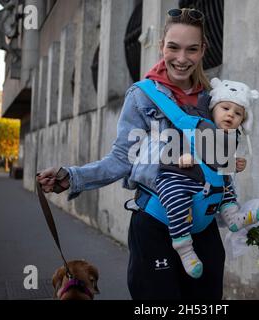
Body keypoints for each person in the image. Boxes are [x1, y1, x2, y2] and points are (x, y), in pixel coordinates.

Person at [37, 8, 228, 299]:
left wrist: (241, 217)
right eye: (173, 47)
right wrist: (72, 177)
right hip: (155, 226)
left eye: (192, 49)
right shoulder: (141, 96)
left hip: (203, 229)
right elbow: (121, 159)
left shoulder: (215, 99)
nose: (181, 58)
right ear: (161, 44)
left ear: (203, 50)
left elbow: (221, 165)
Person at [157, 77, 259, 278]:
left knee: (226, 185)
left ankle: (233, 217)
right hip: (179, 176)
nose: (230, 114)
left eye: (238, 113)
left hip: (205, 182)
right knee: (176, 198)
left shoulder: (230, 137)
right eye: (225, 108)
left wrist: (234, 164)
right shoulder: (195, 121)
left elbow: (217, 163)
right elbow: (170, 140)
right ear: (213, 108)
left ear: (243, 121)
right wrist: (182, 154)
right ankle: (185, 250)